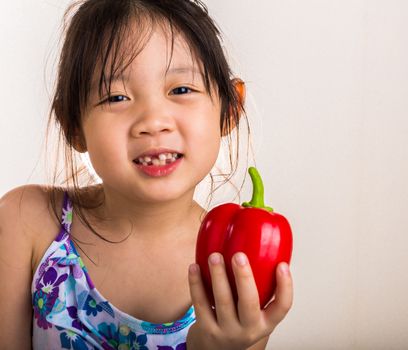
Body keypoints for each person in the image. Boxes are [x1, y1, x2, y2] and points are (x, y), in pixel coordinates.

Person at [0, 1, 293, 349]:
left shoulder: (236, 264)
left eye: (181, 90)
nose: (154, 121)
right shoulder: (27, 222)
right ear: (74, 127)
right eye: (116, 96)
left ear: (230, 108)